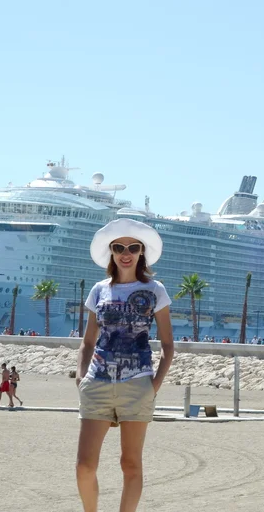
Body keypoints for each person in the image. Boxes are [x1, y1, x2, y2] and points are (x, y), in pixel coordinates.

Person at [75, 218, 174, 512]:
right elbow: (87, 342)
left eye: (133, 247)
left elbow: (168, 345)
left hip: (137, 385)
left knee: (130, 464)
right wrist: (81, 378)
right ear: (111, 252)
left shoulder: (155, 290)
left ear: (142, 251)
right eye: (118, 247)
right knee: (84, 466)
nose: (125, 252)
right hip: (97, 382)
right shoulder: (99, 290)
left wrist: (154, 385)